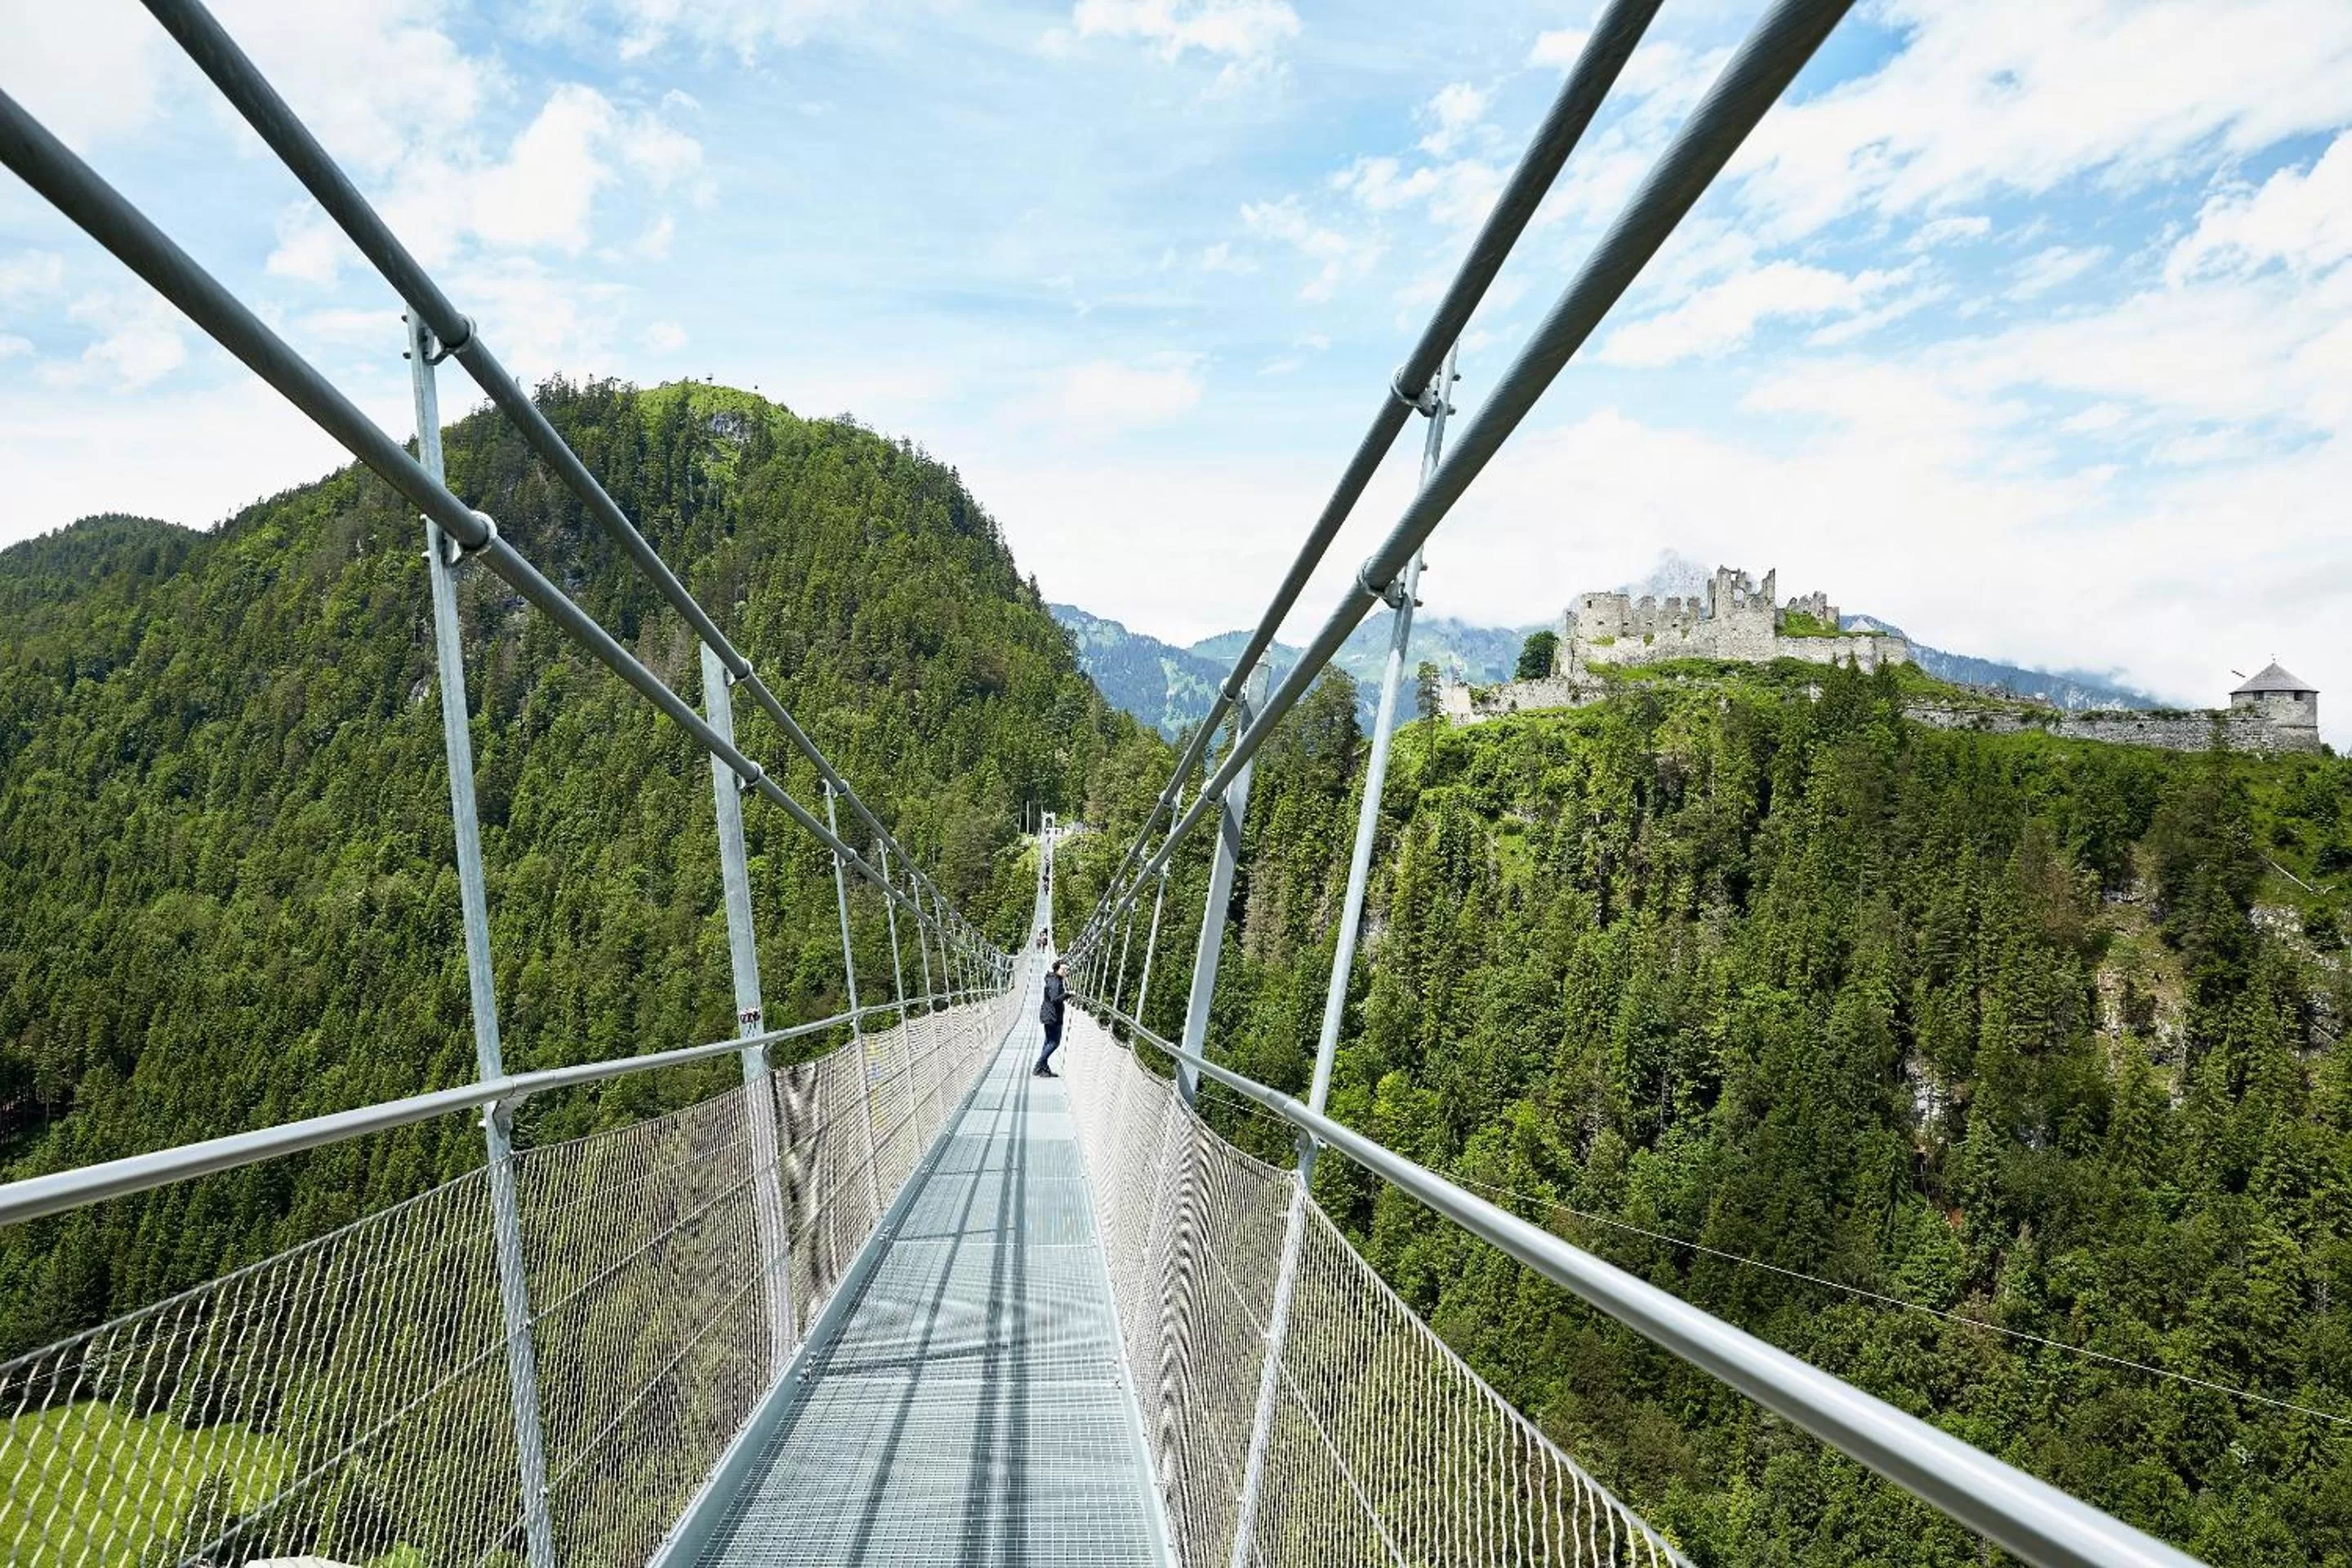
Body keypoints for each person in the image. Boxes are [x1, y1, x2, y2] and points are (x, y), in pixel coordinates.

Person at [1035, 960, 1067, 1077]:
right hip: (1052, 1016)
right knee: (1054, 1042)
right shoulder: (1055, 982)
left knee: (1048, 1041)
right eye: (1064, 969)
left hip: (1050, 1015)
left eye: (1067, 969)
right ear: (1057, 969)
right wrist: (1068, 994)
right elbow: (1055, 999)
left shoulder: (1054, 980)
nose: (1066, 972)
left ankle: (1043, 1069)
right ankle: (1038, 1066)